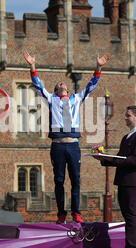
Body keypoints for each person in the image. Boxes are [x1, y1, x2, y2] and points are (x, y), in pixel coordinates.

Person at [23, 50, 110, 224]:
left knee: (76, 180)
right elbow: (37, 84)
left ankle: (76, 213)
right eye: (59, 84)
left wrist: (98, 67)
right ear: (56, 90)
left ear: (68, 90)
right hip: (57, 146)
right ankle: (61, 214)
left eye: (64, 84)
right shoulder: (51, 99)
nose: (62, 84)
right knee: (59, 181)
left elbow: (91, 86)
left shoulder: (76, 99)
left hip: (73, 145)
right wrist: (32, 65)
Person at [93, 106, 136, 248]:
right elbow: (118, 158)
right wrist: (102, 157)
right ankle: (128, 247)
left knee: (130, 214)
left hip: (132, 180)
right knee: (126, 214)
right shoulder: (126, 137)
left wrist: (117, 160)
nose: (125, 118)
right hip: (123, 180)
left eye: (128, 115)